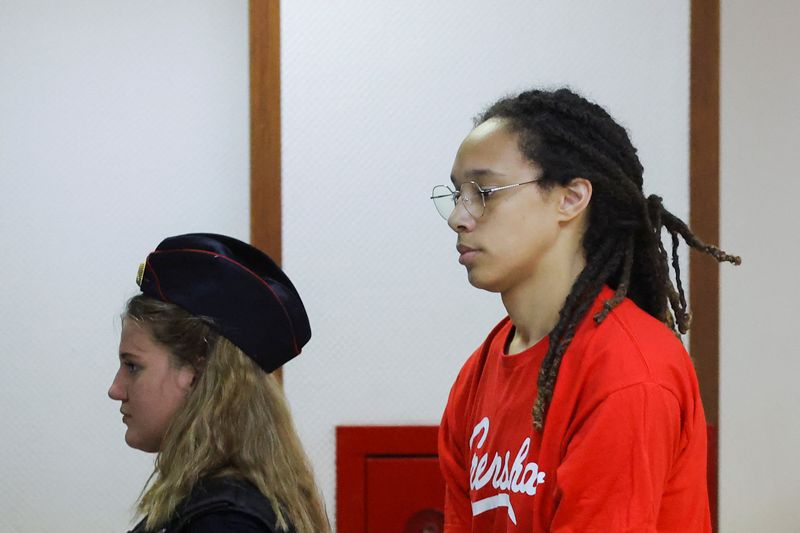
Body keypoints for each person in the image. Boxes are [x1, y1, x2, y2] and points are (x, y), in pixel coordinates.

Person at [432, 88, 740, 532]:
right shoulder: (477, 373)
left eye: (483, 191)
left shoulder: (629, 371)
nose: (458, 217)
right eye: (457, 193)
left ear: (571, 198)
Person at [108, 233, 329, 533]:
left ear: (197, 371)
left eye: (132, 366)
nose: (115, 389)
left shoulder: (225, 521)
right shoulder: (212, 505)